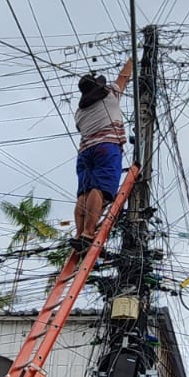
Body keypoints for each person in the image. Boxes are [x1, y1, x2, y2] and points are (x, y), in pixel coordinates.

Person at [71, 58, 133, 249]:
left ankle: (80, 232)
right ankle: (89, 232)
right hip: (107, 148)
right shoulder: (109, 95)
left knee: (85, 192)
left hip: (84, 153)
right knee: (99, 188)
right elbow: (124, 77)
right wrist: (132, 60)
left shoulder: (79, 113)